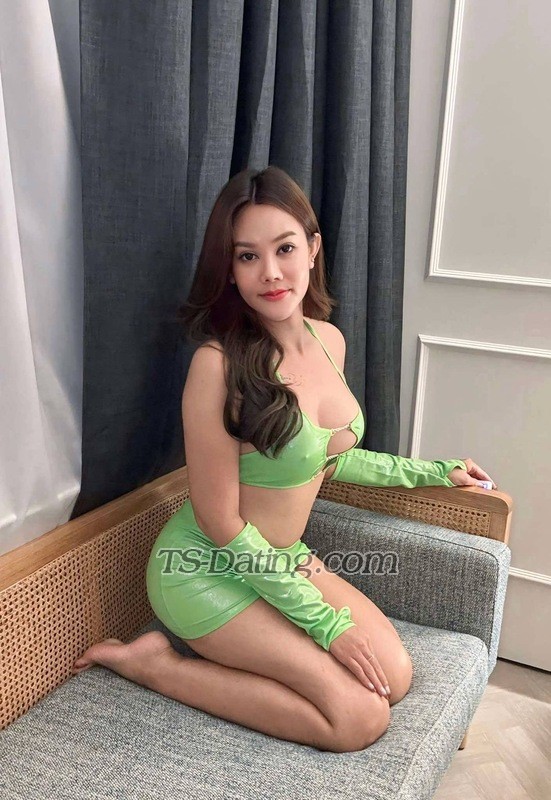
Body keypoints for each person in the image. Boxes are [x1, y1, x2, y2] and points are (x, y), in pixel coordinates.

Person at [72, 165, 497, 753]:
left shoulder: (329, 340)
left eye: (285, 248)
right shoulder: (217, 367)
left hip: (280, 558)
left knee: (395, 678)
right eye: (247, 256)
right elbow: (220, 523)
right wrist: (327, 626)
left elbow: (327, 459)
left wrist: (434, 473)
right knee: (358, 719)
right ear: (229, 270)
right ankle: (156, 666)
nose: (270, 272)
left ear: (313, 248)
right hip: (202, 569)